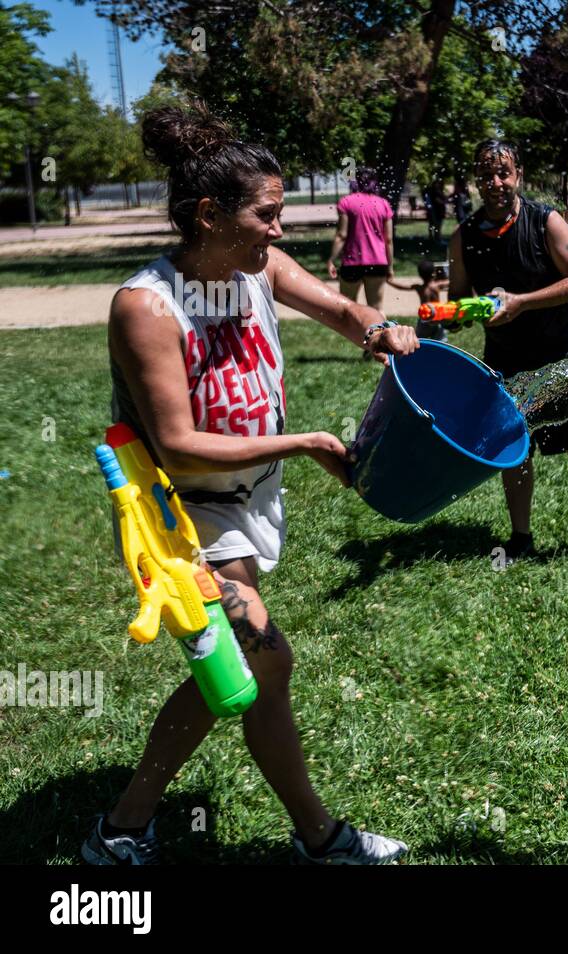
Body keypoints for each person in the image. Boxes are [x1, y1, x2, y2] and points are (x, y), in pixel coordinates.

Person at [85, 102, 417, 866]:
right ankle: (315, 837)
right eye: (266, 215)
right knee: (261, 660)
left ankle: (127, 827)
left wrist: (378, 333)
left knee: (235, 672)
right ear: (210, 215)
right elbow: (179, 446)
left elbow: (336, 305)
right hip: (183, 513)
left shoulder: (256, 267)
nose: (280, 231)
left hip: (247, 493)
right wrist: (304, 444)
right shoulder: (147, 306)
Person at [450, 139, 568, 579]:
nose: (495, 183)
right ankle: (521, 538)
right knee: (514, 451)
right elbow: (459, 300)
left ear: (518, 175)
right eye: (486, 174)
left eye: (504, 173)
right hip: (506, 361)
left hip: (561, 357)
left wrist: (520, 302)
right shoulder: (465, 237)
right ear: (477, 179)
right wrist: (464, 310)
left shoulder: (544, 222)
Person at [327, 166, 394, 313]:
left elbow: (341, 235)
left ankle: (355, 336)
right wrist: (390, 266)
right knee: (376, 310)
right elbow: (388, 239)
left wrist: (331, 259)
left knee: (348, 309)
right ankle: (381, 336)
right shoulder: (383, 204)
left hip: (352, 263)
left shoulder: (346, 202)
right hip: (378, 262)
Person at [390, 258, 450, 341]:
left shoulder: (419, 288)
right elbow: (451, 282)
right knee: (441, 340)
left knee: (419, 340)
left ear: (420, 274)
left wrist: (389, 282)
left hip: (424, 318)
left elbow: (402, 287)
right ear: (434, 273)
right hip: (437, 316)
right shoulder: (437, 285)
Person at [423, 181, 447, 245]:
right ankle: (437, 239)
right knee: (436, 226)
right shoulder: (434, 192)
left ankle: (434, 238)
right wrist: (445, 201)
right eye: (437, 184)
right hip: (436, 211)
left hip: (437, 211)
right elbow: (438, 201)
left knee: (435, 225)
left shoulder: (438, 191)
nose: (438, 185)